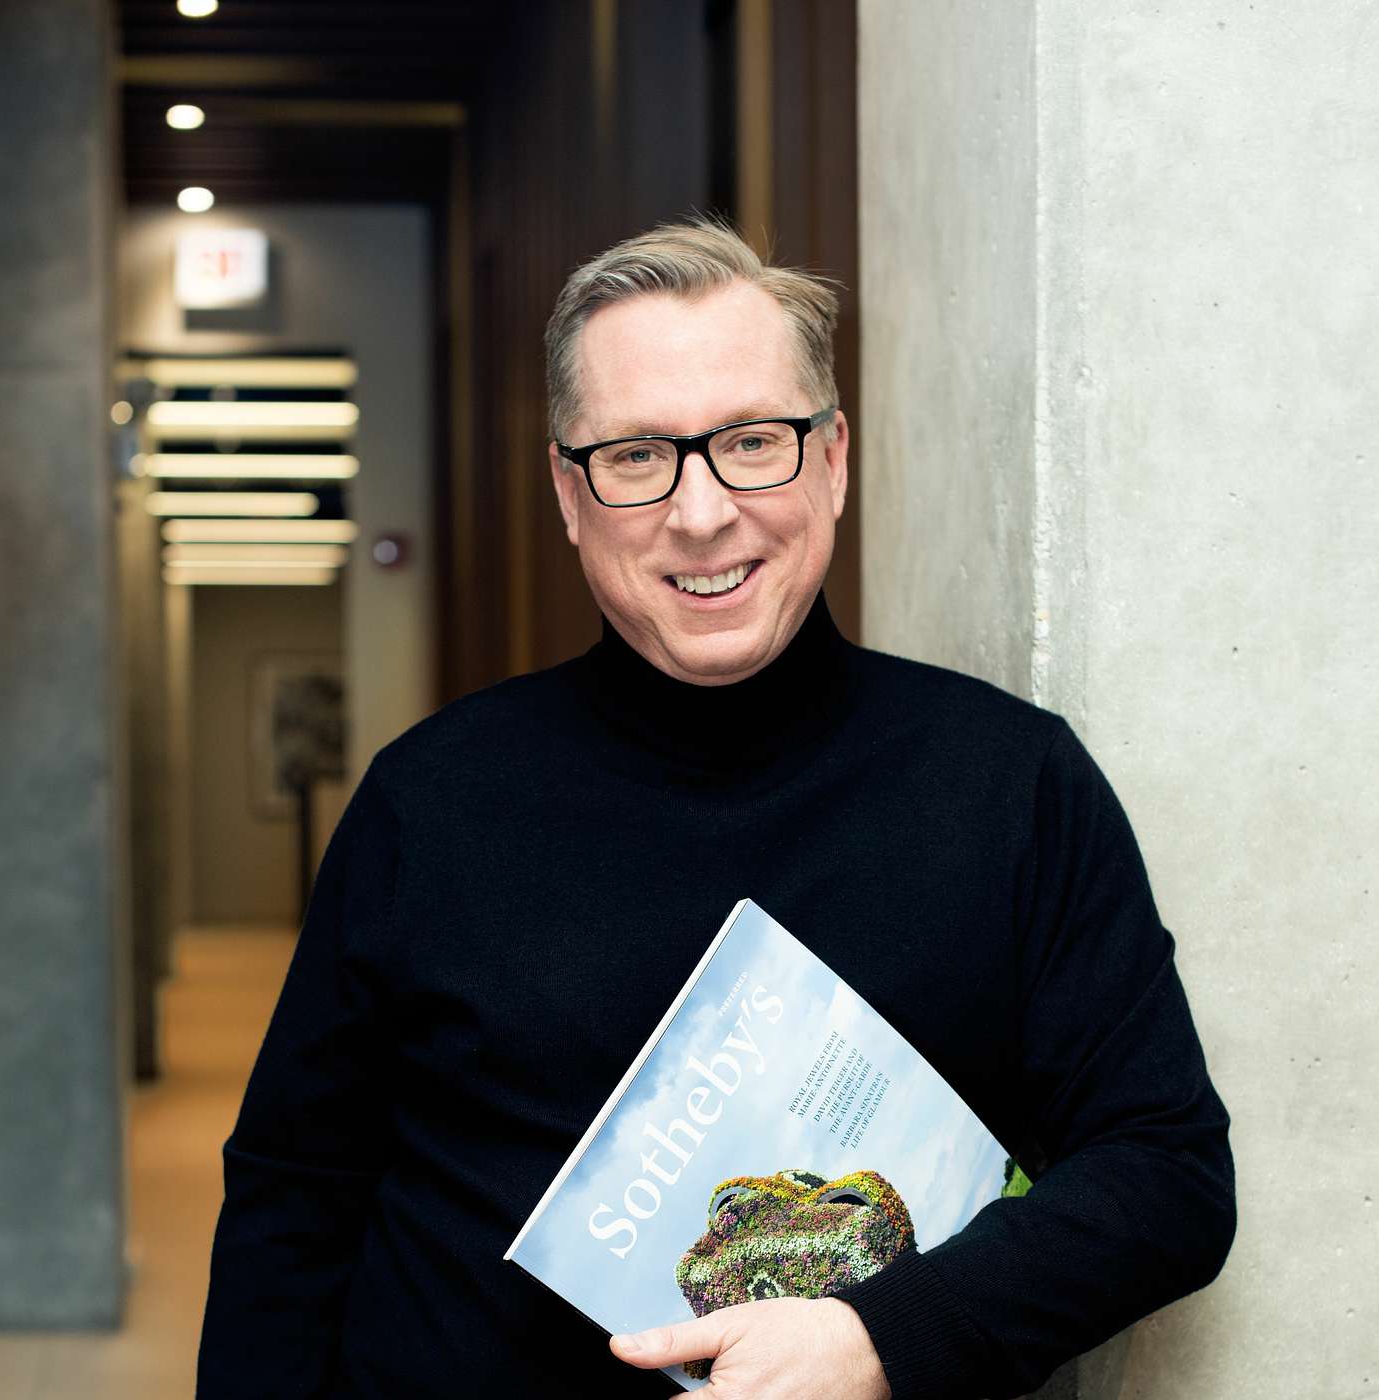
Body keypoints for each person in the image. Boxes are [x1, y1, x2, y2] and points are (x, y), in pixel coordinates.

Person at [197, 219, 1235, 1399]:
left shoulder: (1009, 784)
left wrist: (883, 1336)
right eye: (636, 455)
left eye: (751, 442)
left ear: (832, 458)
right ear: (569, 492)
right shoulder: (427, 800)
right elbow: (293, 1195)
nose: (699, 513)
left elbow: (1166, 1174)